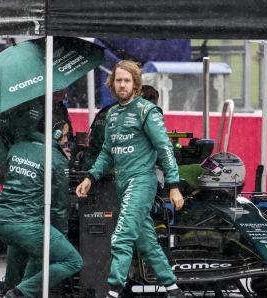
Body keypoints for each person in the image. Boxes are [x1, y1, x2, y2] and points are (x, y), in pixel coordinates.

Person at [75, 61, 185, 298]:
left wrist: (174, 185)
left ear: (136, 84)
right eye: (118, 80)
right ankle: (173, 289)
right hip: (122, 183)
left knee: (121, 237)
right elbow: (106, 152)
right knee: (146, 242)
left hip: (142, 181)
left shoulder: (147, 111)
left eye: (127, 80)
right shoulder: (112, 114)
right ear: (112, 84)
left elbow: (164, 148)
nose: (122, 84)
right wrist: (90, 177)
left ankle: (113, 291)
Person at [0, 101, 82, 298]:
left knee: (35, 251)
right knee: (72, 260)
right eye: (65, 135)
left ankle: (12, 289)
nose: (67, 141)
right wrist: (62, 238)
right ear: (56, 134)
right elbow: (58, 209)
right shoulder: (56, 160)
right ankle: (19, 293)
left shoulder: (18, 145)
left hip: (0, 220)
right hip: (26, 223)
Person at [80, 84, 159, 171]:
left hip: (92, 164)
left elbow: (93, 138)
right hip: (111, 170)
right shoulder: (135, 113)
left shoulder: (107, 110)